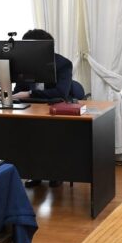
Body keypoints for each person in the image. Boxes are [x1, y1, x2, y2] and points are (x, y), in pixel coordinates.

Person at [12, 28, 77, 188]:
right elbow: (18, 91)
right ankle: (35, 172)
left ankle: (56, 173)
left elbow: (61, 93)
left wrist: (30, 94)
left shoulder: (63, 64)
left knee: (50, 133)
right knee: (21, 133)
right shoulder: (24, 64)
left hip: (55, 110)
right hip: (30, 110)